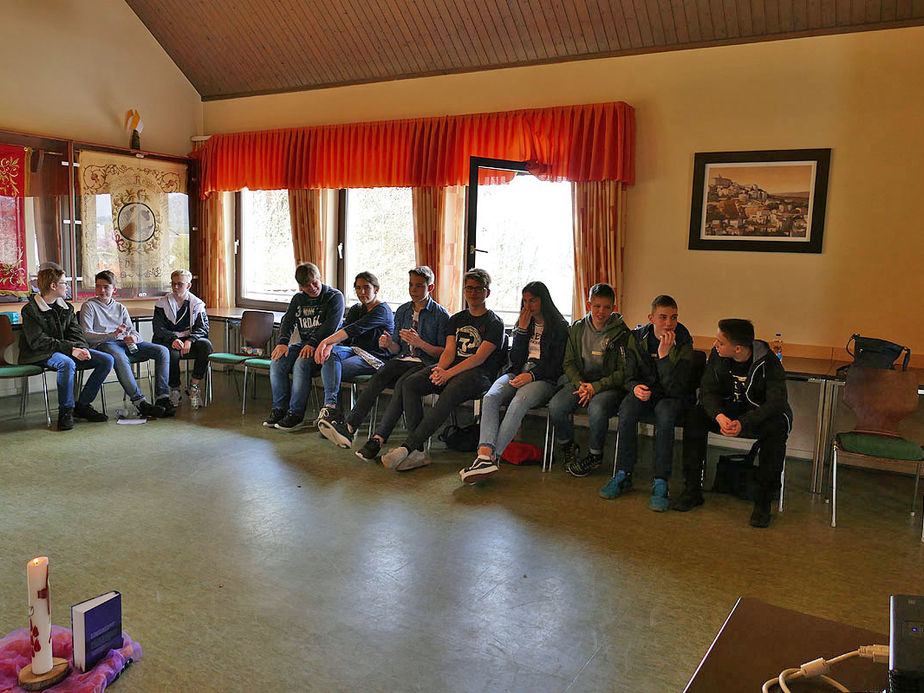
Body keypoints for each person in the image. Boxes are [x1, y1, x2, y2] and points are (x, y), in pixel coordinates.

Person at [379, 268, 505, 472]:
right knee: (411, 384)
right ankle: (418, 452)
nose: (473, 293)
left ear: (487, 293)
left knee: (450, 390)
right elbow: (448, 351)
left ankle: (407, 447)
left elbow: (479, 358)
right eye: (469, 288)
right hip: (452, 369)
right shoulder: (456, 319)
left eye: (478, 289)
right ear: (464, 291)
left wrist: (447, 374)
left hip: (478, 375)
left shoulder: (494, 323)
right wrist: (440, 369)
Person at [318, 266, 450, 458]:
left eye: (419, 286)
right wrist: (388, 344)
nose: (413, 290)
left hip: (424, 363)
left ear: (430, 288)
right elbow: (397, 348)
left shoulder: (440, 315)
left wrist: (420, 343)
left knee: (402, 386)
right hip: (402, 359)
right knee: (380, 376)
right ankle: (349, 426)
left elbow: (444, 353)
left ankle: (378, 439)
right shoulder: (404, 310)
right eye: (411, 285)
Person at [678, 319, 792, 528]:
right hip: (728, 412)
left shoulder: (769, 362)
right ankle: (692, 489)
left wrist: (743, 422)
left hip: (757, 415)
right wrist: (719, 416)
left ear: (738, 348)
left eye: (721, 342)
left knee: (776, 429)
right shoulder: (717, 355)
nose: (715, 345)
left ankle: (763, 502)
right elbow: (707, 391)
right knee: (695, 417)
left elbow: (776, 403)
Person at [459, 281, 569, 483]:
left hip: (544, 379)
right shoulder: (524, 323)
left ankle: (493, 458)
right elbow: (516, 360)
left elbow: (557, 364)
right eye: (525, 301)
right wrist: (522, 331)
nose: (528, 306)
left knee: (519, 399)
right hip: (518, 373)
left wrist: (532, 375)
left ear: (543, 301)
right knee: (491, 397)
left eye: (533, 301)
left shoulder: (560, 326)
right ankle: (484, 454)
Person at [599, 295, 694, 510]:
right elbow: (628, 374)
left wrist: (663, 357)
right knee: (627, 408)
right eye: (663, 317)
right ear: (651, 318)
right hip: (646, 392)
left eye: (673, 318)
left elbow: (676, 388)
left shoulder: (684, 340)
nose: (669, 323)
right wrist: (634, 387)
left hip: (671, 396)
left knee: (665, 415)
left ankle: (661, 481)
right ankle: (623, 473)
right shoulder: (637, 338)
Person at [547, 283, 629, 477]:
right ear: (588, 304)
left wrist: (596, 387)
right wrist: (582, 385)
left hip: (607, 385)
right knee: (556, 406)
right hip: (581, 382)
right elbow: (568, 363)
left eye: (607, 307)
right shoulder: (576, 328)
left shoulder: (622, 333)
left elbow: (623, 371)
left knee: (597, 408)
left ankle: (595, 454)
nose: (601, 311)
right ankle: (567, 445)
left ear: (613, 308)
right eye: (596, 306)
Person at [18, 267, 113, 431]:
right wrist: (71, 350)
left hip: (64, 350)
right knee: (66, 363)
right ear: (53, 286)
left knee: (106, 359)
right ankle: (66, 411)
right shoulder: (30, 310)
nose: (67, 286)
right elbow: (38, 342)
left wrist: (82, 348)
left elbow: (76, 333)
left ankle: (82, 406)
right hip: (39, 353)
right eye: (64, 283)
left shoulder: (66, 308)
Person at [79, 270, 174, 418]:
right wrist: (112, 335)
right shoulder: (89, 306)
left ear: (114, 289)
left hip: (124, 342)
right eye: (98, 286)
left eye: (106, 287)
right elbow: (86, 335)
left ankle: (163, 398)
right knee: (118, 355)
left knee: (162, 350)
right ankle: (140, 402)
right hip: (105, 344)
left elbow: (133, 332)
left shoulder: (120, 308)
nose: (102, 290)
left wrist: (134, 338)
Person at [264, 262, 344, 431]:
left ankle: (296, 414)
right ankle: (279, 409)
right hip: (306, 344)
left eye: (315, 283)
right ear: (301, 287)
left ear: (319, 277)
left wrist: (313, 343)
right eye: (307, 286)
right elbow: (288, 321)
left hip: (327, 346)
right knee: (277, 361)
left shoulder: (334, 296)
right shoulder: (298, 299)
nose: (313, 288)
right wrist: (282, 343)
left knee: (302, 362)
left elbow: (331, 326)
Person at [313, 272, 394, 425]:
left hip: (374, 358)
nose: (362, 292)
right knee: (329, 357)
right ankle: (331, 409)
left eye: (366, 288)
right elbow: (345, 329)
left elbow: (355, 329)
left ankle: (333, 417)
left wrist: (325, 342)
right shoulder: (357, 308)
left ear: (376, 289)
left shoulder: (382, 310)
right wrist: (330, 346)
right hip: (354, 351)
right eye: (358, 288)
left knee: (335, 370)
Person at [152, 269, 213, 409]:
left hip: (188, 339)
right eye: (173, 284)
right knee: (171, 353)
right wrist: (173, 338)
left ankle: (194, 386)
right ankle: (174, 389)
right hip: (168, 339)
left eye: (180, 284)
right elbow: (158, 328)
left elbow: (203, 328)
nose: (175, 288)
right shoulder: (162, 303)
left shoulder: (197, 304)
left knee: (206, 346)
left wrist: (190, 340)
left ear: (188, 286)